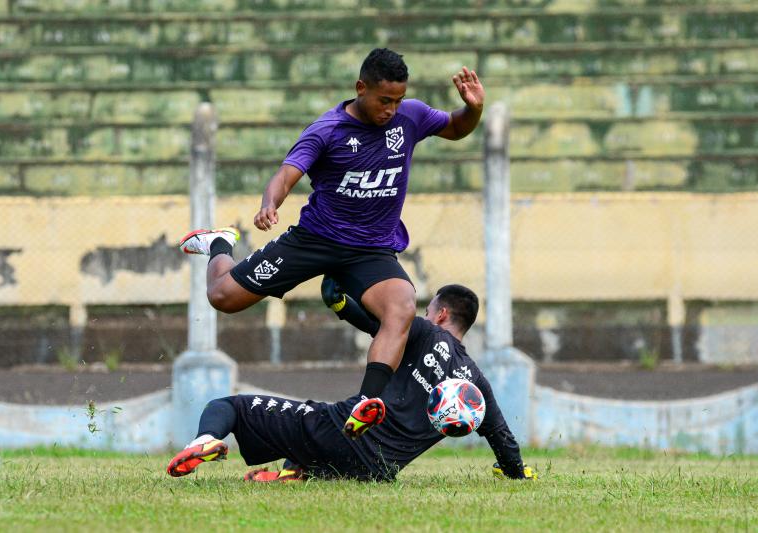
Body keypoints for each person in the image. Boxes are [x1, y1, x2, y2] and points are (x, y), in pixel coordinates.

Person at [178, 48, 485, 438]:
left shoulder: (411, 116)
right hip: (316, 239)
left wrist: (473, 109)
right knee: (223, 297)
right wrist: (269, 204)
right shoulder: (328, 130)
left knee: (402, 307)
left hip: (371, 250)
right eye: (383, 100)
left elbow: (457, 127)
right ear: (361, 88)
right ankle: (219, 243)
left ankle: (365, 403)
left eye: (398, 100)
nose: (391, 109)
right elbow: (287, 174)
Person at [166, 281, 536, 483]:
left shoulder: (423, 332)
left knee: (228, 407)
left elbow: (373, 321)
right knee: (309, 422)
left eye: (425, 311)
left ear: (440, 314)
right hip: (379, 471)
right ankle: (300, 473)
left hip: (339, 433)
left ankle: (204, 441)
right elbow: (503, 439)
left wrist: (340, 301)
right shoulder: (477, 388)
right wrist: (516, 473)